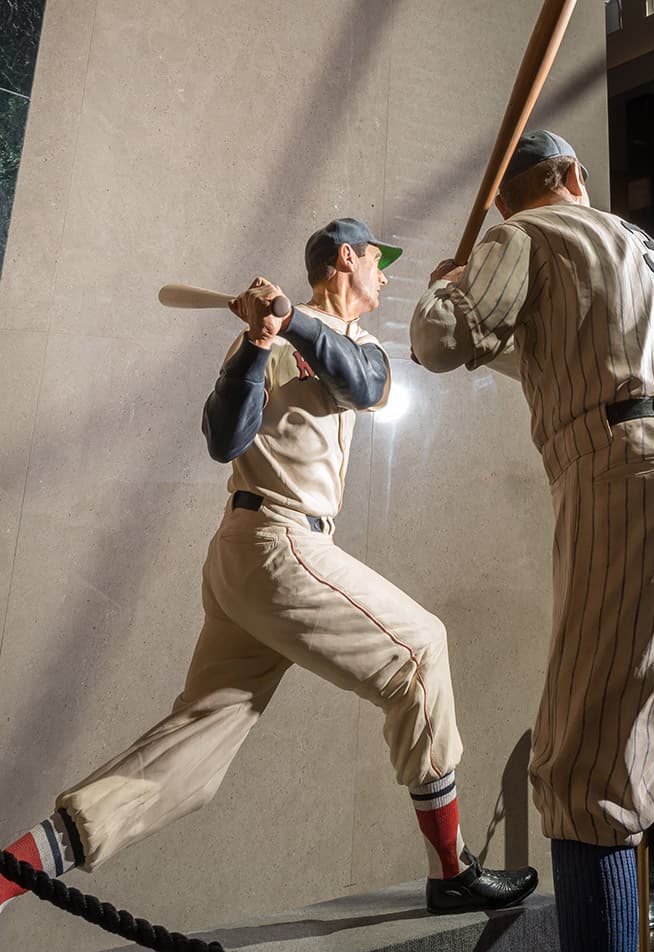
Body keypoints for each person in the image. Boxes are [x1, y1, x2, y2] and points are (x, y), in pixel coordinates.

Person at [0, 219, 536, 923]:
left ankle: (11, 875)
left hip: (259, 560)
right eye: (377, 262)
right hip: (272, 543)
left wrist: (290, 325)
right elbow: (224, 437)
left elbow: (367, 382)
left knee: (192, 756)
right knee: (420, 650)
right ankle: (452, 870)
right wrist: (257, 342)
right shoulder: (271, 335)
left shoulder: (351, 343)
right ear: (346, 259)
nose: (381, 276)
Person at [410, 130, 654, 952]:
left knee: (590, 771)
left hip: (632, 478)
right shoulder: (645, 248)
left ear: (511, 200)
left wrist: (453, 288)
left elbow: (441, 342)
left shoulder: (521, 234)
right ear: (574, 175)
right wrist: (477, 299)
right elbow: (556, 353)